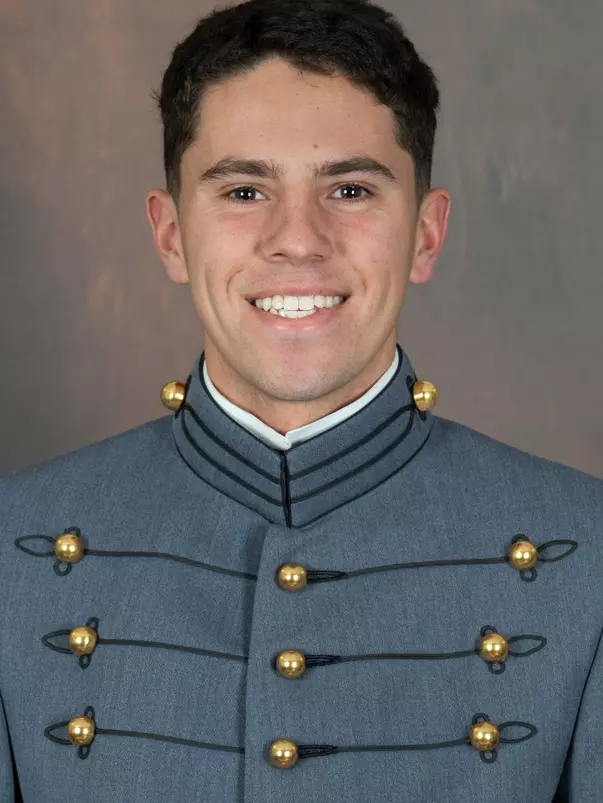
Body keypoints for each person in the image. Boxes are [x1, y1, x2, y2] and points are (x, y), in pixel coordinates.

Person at [0, 0, 601, 800]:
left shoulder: (585, 553)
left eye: (349, 189)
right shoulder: (13, 547)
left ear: (424, 235)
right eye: (244, 191)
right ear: (171, 235)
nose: (297, 239)